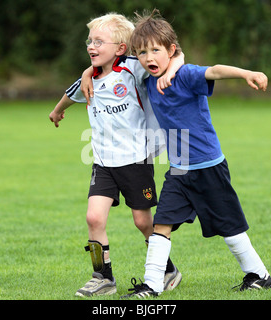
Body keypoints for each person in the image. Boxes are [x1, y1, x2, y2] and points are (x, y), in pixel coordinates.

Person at [122, 9, 271, 298]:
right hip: (179, 170)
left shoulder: (187, 75)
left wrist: (247, 73)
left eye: (156, 50)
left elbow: (214, 70)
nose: (149, 57)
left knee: (230, 228)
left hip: (208, 167)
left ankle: (259, 275)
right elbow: (114, 62)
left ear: (171, 50)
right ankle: (151, 286)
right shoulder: (148, 79)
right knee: (161, 223)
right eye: (142, 52)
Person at [49, 12, 184, 297]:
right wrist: (58, 110)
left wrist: (172, 69)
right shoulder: (90, 77)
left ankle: (167, 269)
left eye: (99, 41)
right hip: (102, 161)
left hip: (136, 159)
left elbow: (173, 57)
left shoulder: (134, 68)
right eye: (89, 40)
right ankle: (103, 278)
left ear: (121, 49)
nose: (91, 46)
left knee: (142, 222)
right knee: (94, 218)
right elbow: (71, 94)